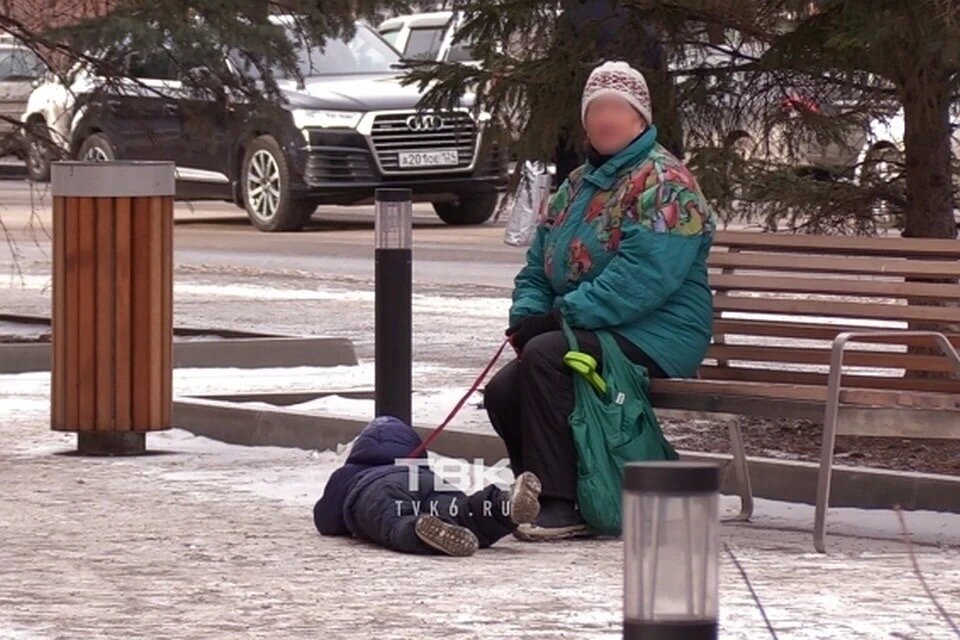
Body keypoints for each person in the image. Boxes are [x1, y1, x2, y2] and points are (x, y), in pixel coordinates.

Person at [484, 60, 715, 541]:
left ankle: (563, 503)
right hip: (591, 328)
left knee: (551, 357)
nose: (606, 119)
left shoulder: (666, 182)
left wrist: (559, 319)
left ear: (640, 118)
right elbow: (536, 266)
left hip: (658, 333)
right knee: (505, 388)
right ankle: (536, 491)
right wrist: (528, 317)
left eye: (618, 109)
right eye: (597, 110)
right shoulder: (575, 187)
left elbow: (646, 278)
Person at [312, 416, 543, 556]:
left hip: (379, 488)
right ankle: (500, 505)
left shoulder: (351, 473)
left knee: (394, 519)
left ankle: (419, 530)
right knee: (462, 511)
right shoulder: (418, 464)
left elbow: (326, 519)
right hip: (425, 480)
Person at [551, 0, 683, 183]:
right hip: (639, 140)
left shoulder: (573, 17)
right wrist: (675, 147)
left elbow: (558, 88)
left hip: (586, 139)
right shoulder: (642, 17)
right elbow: (662, 87)